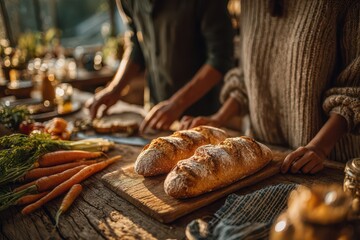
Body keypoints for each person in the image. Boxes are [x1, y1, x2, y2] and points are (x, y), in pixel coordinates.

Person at [179, 0, 360, 174]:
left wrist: (319, 148)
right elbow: (246, 77)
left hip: (328, 165)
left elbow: (354, 88)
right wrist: (218, 119)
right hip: (263, 162)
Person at [86, 0, 234, 133]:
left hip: (201, 116)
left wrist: (177, 104)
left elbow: (220, 59)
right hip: (154, 110)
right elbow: (136, 45)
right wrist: (115, 89)